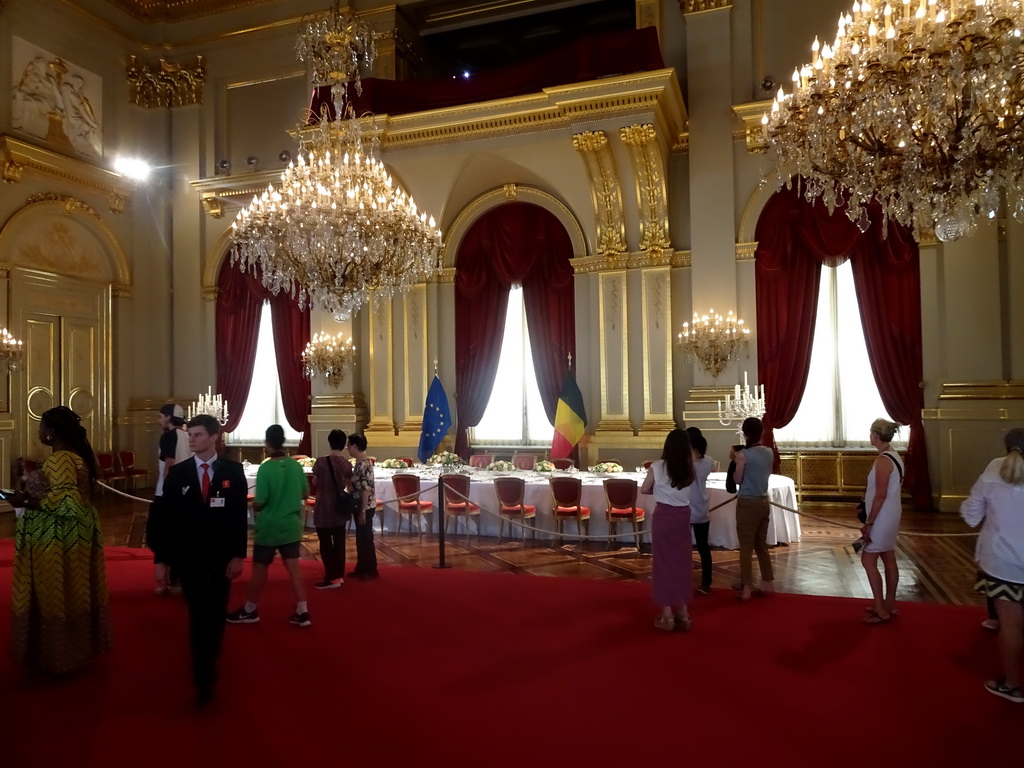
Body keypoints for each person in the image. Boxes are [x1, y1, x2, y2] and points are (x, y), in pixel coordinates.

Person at [9, 406, 112, 674]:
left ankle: (59, 655)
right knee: (72, 589)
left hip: (56, 537)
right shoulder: (72, 457)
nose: (39, 432)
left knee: (56, 591)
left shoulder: (61, 459)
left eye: (41, 427)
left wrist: (26, 501)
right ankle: (74, 650)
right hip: (74, 533)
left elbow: (67, 502)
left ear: (52, 432)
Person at [159, 414, 248, 705]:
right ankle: (203, 678)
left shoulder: (233, 471)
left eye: (198, 434)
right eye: (191, 435)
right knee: (198, 615)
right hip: (189, 558)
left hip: (222, 557)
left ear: (213, 437)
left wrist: (238, 555)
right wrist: (162, 559)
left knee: (217, 611)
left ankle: (212, 653)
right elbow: (166, 520)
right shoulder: (179, 474)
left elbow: (238, 517)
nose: (192, 439)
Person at [960, 428, 1024, 703]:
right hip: (1005, 561)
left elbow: (971, 514)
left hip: (1004, 563)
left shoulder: (995, 469)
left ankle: (1012, 685)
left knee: (1010, 624)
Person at [227, 424, 310, 626]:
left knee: (259, 570)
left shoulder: (266, 468)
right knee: (294, 570)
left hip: (269, 526)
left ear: (267, 443)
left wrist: (253, 506)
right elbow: (305, 493)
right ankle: (303, 610)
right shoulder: (295, 466)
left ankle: (250, 609)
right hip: (291, 525)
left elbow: (260, 501)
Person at [640, 428, 696, 631]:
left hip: (664, 517)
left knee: (663, 563)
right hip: (682, 516)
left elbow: (644, 489)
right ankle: (683, 612)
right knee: (681, 563)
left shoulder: (657, 466)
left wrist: (660, 490)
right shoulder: (689, 468)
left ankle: (667, 616)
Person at [859, 418, 904, 624]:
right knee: (888, 558)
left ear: (876, 435)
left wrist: (869, 522)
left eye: (871, 433)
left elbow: (880, 494)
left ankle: (880, 609)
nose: (870, 436)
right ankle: (889, 604)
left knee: (868, 560)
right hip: (892, 513)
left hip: (882, 516)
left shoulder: (883, 460)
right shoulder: (894, 456)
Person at [147, 403, 190, 596]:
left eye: (160, 416)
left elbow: (170, 464)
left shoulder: (168, 436)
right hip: (185, 494)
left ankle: (168, 581)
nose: (158, 421)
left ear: (168, 417)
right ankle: (177, 581)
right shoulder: (187, 436)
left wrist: (166, 491)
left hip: (168, 495)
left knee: (161, 537)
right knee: (180, 538)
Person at [732, 417, 776, 601]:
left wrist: (735, 461)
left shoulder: (743, 455)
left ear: (745, 433)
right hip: (763, 501)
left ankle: (747, 587)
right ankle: (767, 582)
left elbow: (737, 479)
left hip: (747, 502)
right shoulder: (769, 452)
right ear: (761, 433)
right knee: (761, 544)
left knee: (746, 547)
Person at [311, 429, 353, 589]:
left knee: (325, 542)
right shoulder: (346, 464)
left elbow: (315, 482)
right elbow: (348, 484)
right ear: (343, 445)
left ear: (329, 443)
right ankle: (339, 575)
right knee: (340, 542)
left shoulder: (321, 462)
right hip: (339, 506)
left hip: (323, 505)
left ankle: (331, 576)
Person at [686, 427, 715, 595]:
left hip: (686, 507)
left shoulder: (685, 463)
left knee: (685, 547)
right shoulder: (708, 461)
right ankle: (706, 581)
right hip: (702, 506)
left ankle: (683, 580)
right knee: (704, 547)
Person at [347, 433, 379, 580]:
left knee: (365, 538)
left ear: (355, 446)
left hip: (364, 506)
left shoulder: (363, 464)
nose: (347, 448)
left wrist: (363, 511)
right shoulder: (360, 463)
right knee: (361, 538)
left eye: (349, 445)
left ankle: (369, 568)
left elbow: (366, 490)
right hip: (360, 505)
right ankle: (361, 567)